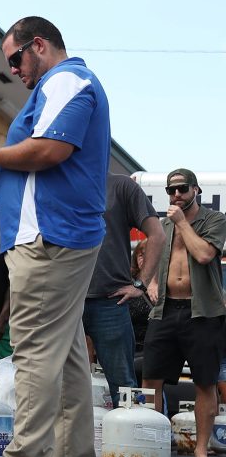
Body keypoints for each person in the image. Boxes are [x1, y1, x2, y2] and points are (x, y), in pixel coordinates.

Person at [0, 16, 110, 457]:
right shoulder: (68, 82)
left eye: (15, 59)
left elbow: (51, 149)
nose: (13, 71)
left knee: (32, 352)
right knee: (66, 360)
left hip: (49, 236)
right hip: (58, 234)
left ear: (39, 46)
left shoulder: (66, 79)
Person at [141, 169, 225, 457]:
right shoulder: (162, 227)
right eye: (171, 190)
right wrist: (147, 282)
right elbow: (149, 260)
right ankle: (152, 444)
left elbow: (203, 255)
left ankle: (201, 453)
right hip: (165, 310)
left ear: (196, 190)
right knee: (151, 379)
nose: (176, 195)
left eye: (182, 189)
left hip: (202, 312)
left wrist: (180, 223)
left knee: (205, 382)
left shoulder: (214, 221)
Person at [84, 174, 164, 407]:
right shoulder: (59, 181)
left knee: (124, 389)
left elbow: (157, 235)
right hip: (67, 300)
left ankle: (128, 442)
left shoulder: (121, 186)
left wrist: (140, 283)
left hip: (111, 302)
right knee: (63, 384)